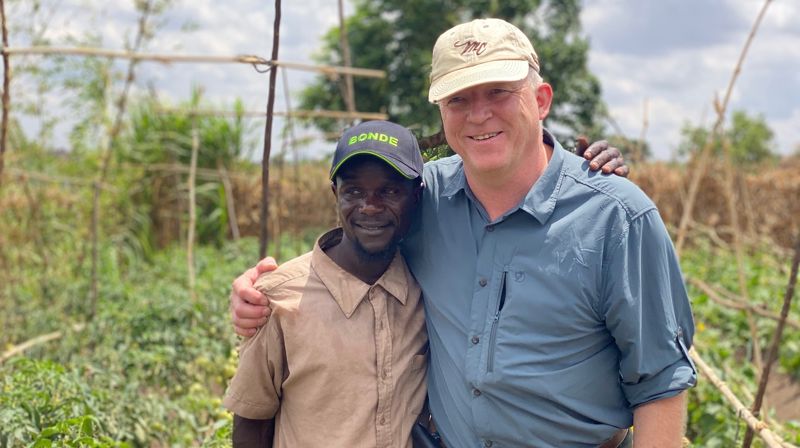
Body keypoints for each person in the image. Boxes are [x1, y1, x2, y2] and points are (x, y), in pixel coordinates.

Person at [233, 18, 696, 447]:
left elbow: (660, 382)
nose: (478, 114)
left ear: (541, 100)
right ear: (441, 112)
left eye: (498, 92)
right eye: (458, 99)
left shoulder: (617, 218)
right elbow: (359, 229)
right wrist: (266, 293)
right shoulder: (423, 196)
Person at [223, 120, 428, 447]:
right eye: (354, 191)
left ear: (416, 197)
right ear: (336, 194)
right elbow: (252, 424)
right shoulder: (280, 301)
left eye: (389, 191)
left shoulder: (427, 285)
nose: (370, 206)